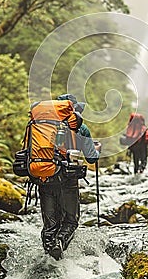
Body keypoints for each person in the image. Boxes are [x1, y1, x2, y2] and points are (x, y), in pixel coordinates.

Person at [38, 94, 101, 260]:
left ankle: (48, 261)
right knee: (70, 221)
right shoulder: (80, 127)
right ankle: (59, 244)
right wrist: (98, 150)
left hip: (44, 176)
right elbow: (91, 158)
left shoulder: (40, 125)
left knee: (50, 224)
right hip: (68, 179)